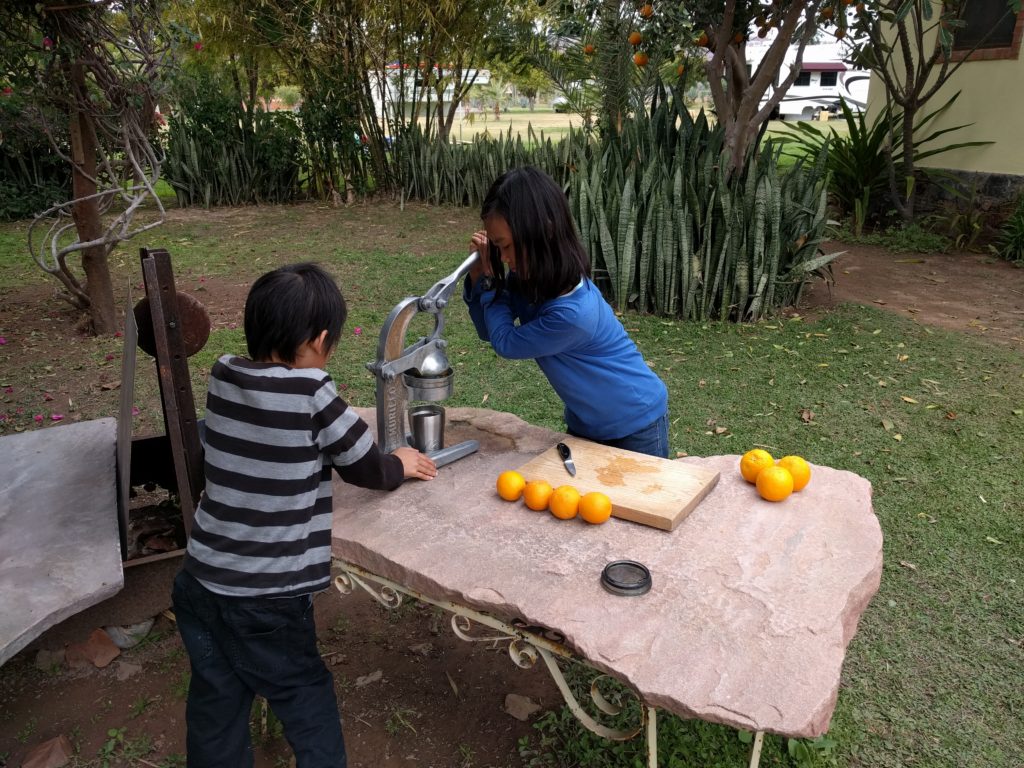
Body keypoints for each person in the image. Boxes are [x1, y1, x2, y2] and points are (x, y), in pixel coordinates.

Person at [172, 263, 436, 768]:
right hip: (267, 599)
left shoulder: (223, 374)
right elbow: (365, 468)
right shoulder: (312, 393)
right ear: (319, 341)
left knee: (217, 700)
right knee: (302, 693)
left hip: (201, 582)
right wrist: (399, 463)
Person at [463, 166, 670, 458]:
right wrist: (479, 279)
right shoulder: (528, 279)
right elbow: (489, 331)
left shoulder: (574, 314)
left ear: (544, 231)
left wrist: (488, 283)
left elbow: (505, 343)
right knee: (579, 503)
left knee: (638, 504)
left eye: (506, 246)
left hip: (636, 424)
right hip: (586, 425)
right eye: (497, 248)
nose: (504, 258)